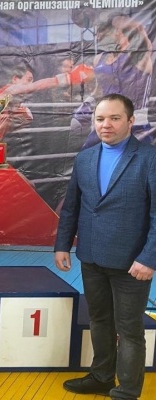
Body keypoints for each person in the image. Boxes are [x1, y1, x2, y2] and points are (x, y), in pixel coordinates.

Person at [54, 93, 156, 400]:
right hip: (91, 257)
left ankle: (127, 391)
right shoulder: (85, 158)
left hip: (133, 263)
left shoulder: (149, 158)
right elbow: (72, 207)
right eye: (100, 119)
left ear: (130, 121)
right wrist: (62, 245)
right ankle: (101, 377)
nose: (105, 125)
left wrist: (149, 258)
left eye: (114, 118)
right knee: (99, 320)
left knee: (129, 330)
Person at [76, 14, 154, 148]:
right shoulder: (99, 59)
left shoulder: (137, 56)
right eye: (98, 33)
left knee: (136, 160)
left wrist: (123, 21)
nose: (98, 37)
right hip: (107, 125)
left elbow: (141, 35)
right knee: (87, 155)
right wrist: (86, 105)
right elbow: (99, 90)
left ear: (118, 33)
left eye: (103, 32)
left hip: (136, 127)